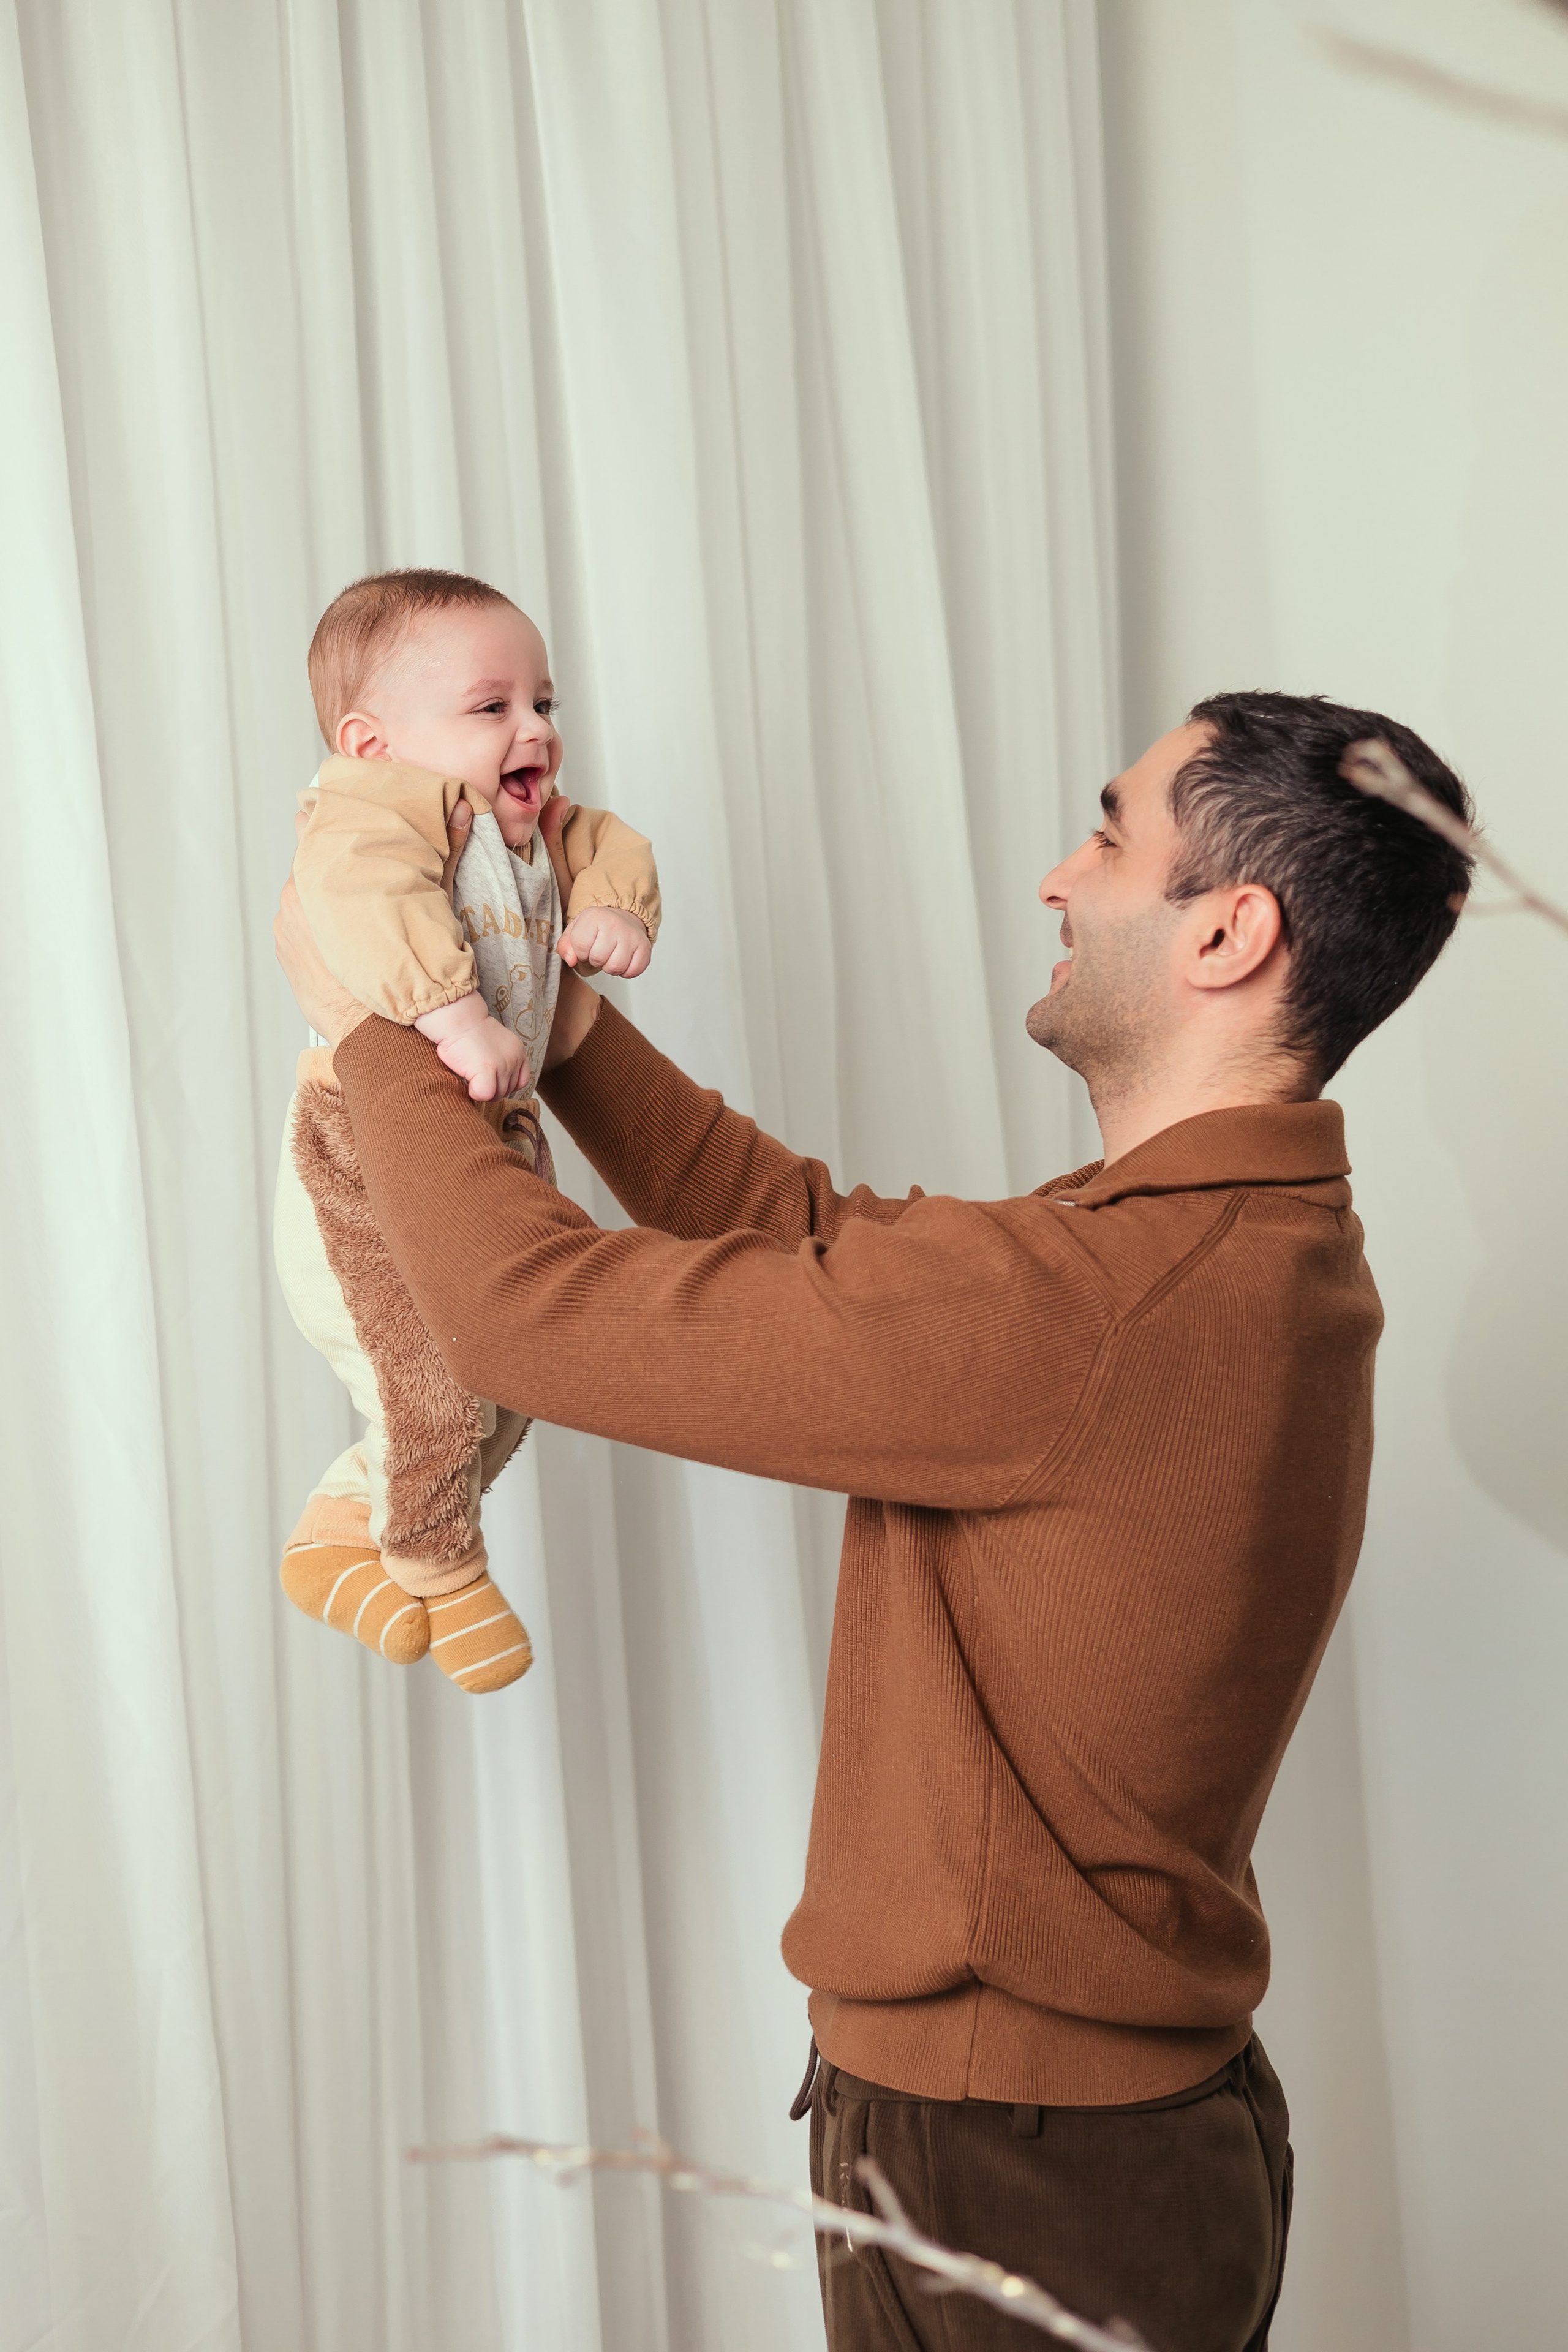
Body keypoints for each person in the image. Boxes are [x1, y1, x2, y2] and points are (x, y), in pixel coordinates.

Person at [274, 688, 1473, 2348]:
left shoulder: (1108, 1302)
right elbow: (815, 1237)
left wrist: (367, 1013)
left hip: (1029, 2165)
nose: (1060, 875)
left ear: (1230, 931)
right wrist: (551, 1020)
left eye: (1111, 835)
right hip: (1053, 2141)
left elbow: (516, 1313)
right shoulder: (1207, 1251)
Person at [276, 568, 661, 1692]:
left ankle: (343, 1532)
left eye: (544, 703)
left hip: (495, 1139)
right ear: (373, 743)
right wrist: (453, 1014)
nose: (535, 728)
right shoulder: (373, 808)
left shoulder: (542, 829)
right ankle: (442, 1567)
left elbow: (616, 845)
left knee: (514, 1376)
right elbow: (358, 896)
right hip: (357, 1151)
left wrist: (611, 910)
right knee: (430, 1379)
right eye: (491, 708)